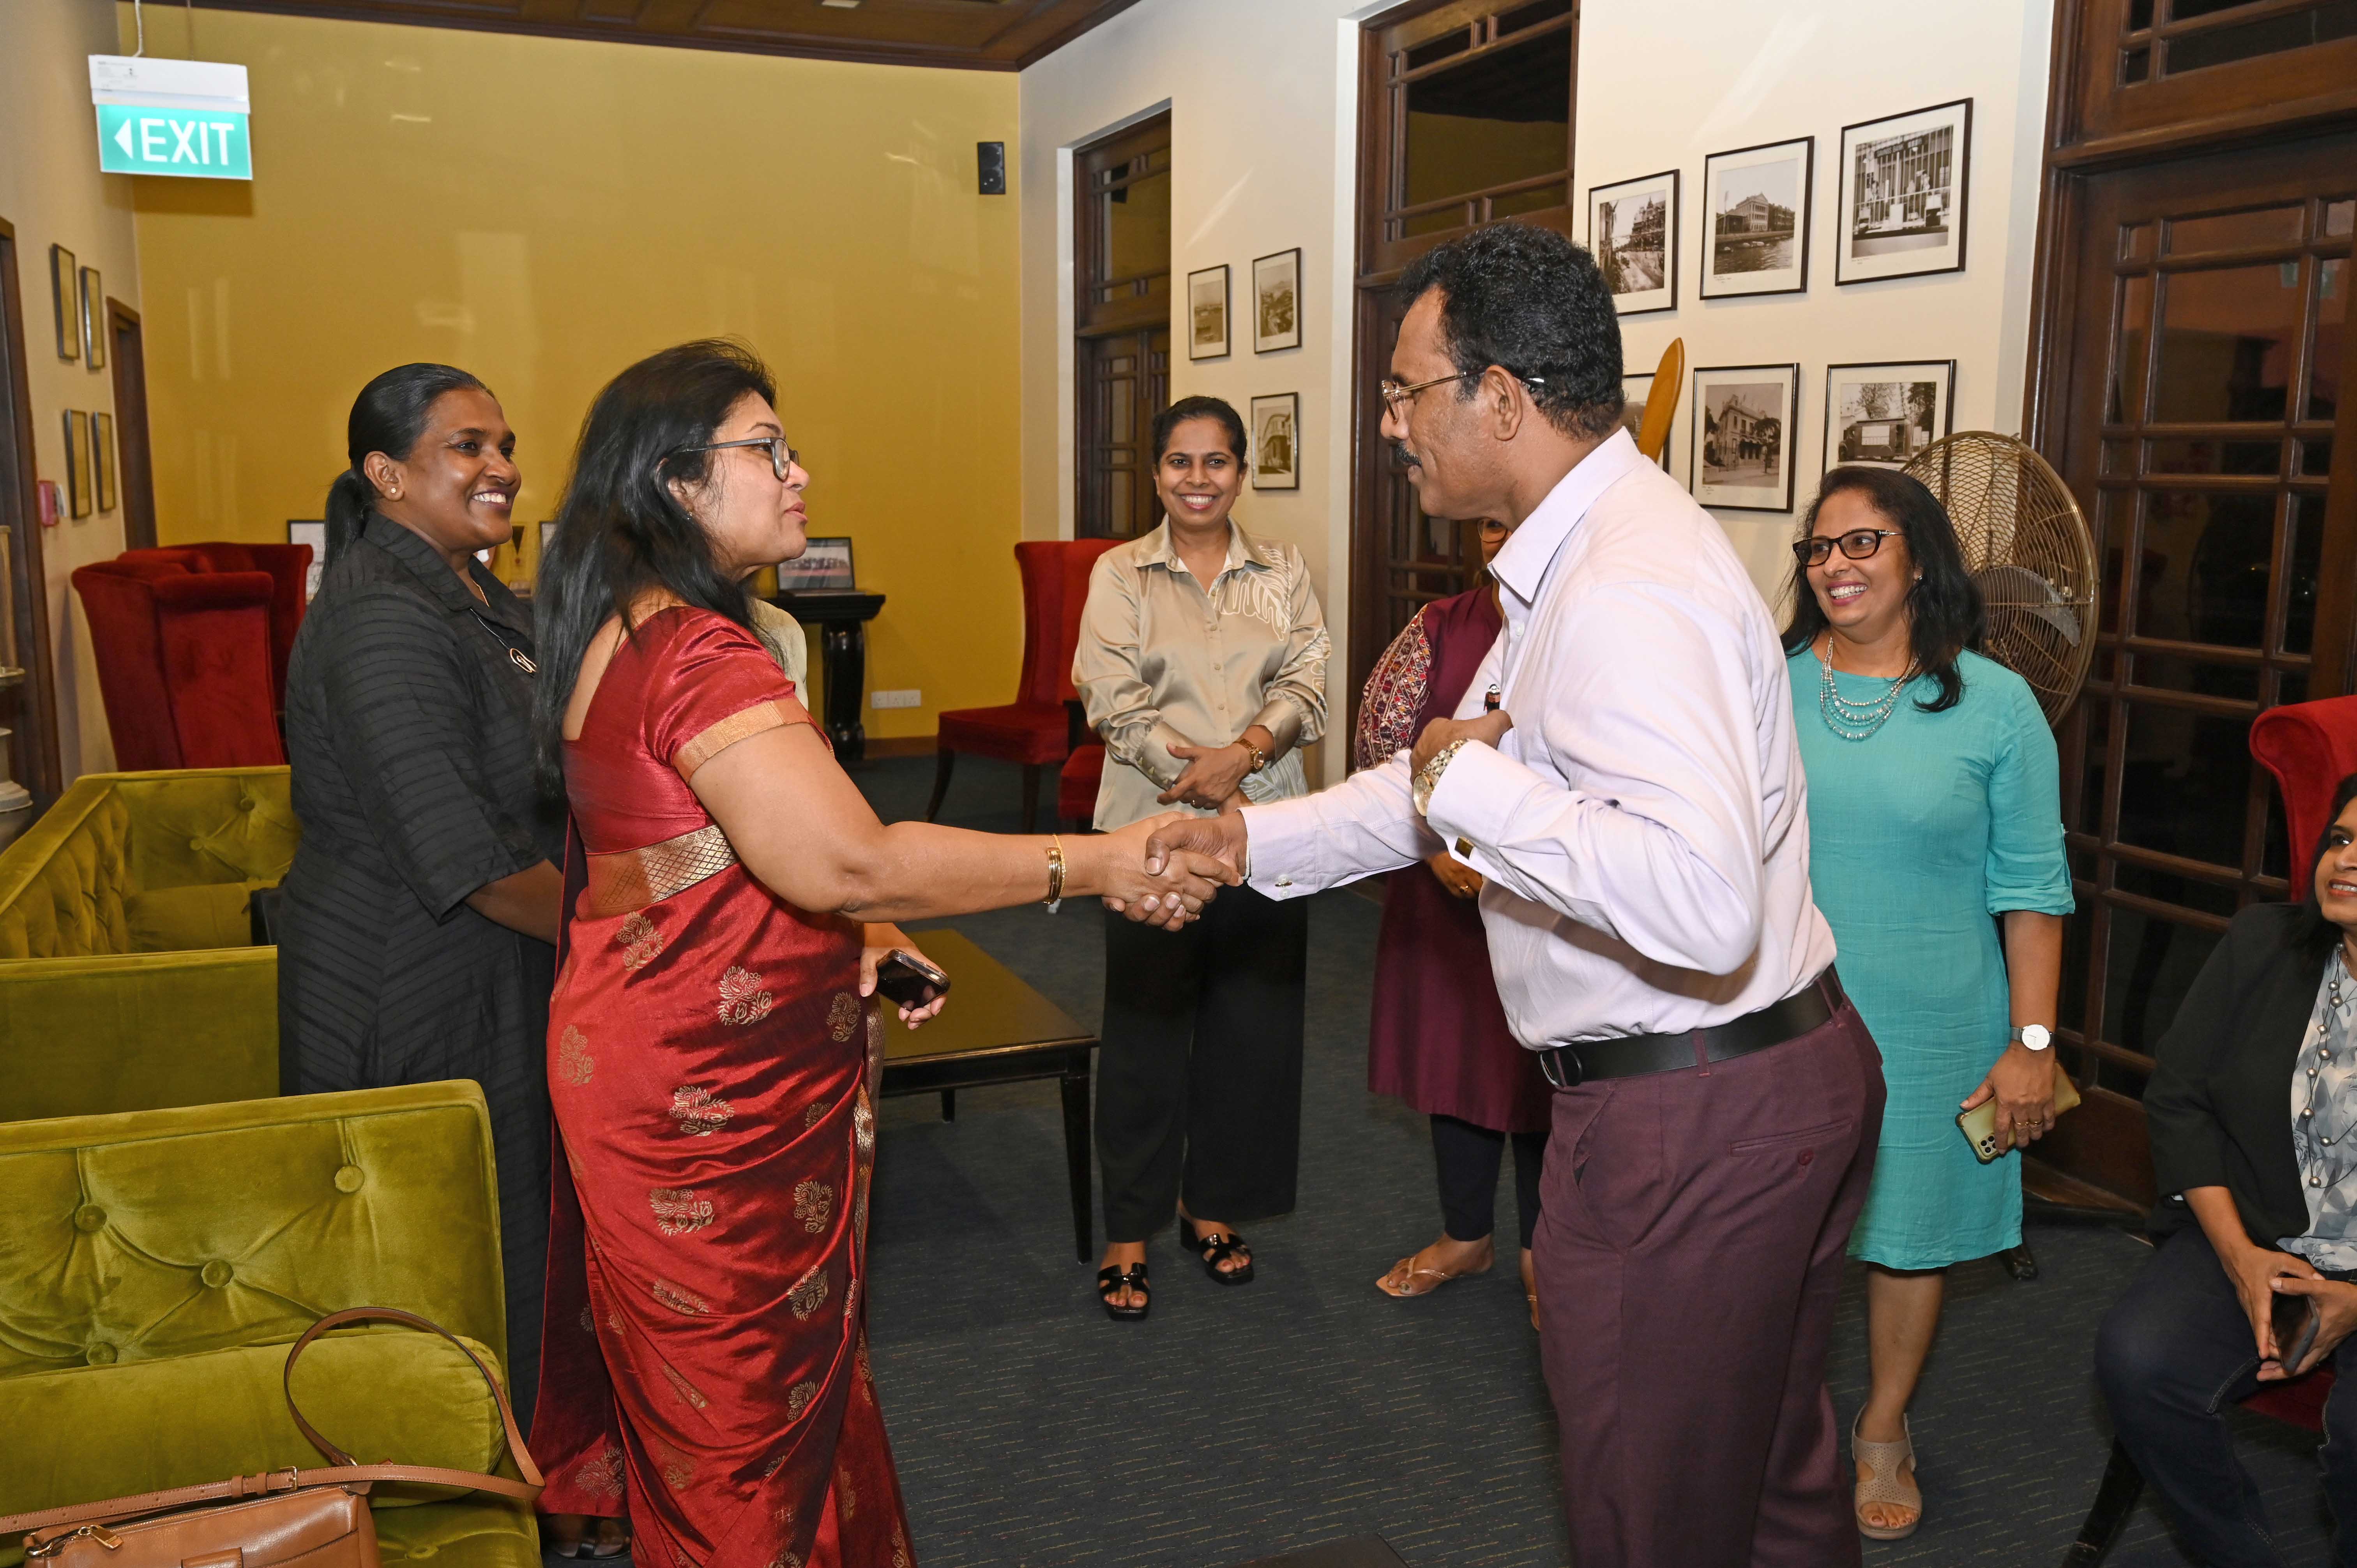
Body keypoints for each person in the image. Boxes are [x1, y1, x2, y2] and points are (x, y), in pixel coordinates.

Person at [1131, 222, 1886, 1568]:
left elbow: (1696, 898)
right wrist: (1241, 841)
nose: (1388, 424)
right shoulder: (1573, 556)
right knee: (1768, 1484)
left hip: (1690, 1120)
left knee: (1652, 1517)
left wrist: (1466, 781)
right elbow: (1430, 781)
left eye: (1404, 390)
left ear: (1499, 398)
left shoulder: (1624, 588)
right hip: (1750, 1084)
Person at [525, 340, 1231, 1568]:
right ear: (676, 481)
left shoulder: (627, 629)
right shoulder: (697, 654)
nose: (800, 471)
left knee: (730, 1414)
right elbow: (849, 860)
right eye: (767, 449)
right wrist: (1101, 862)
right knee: (740, 1450)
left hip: (657, 1060)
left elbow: (693, 859)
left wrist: (862, 937)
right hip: (705, 1103)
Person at [1781, 467, 2074, 1539]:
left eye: (1862, 542)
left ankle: (1882, 1428)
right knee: (1776, 1239)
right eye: (1819, 548)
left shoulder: (1996, 705)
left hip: (1938, 1019)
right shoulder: (1764, 687)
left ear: (1919, 559)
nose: (1836, 565)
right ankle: (1778, 1424)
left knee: (1911, 1235)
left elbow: (2033, 890)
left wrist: (2031, 1043)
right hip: (1786, 1017)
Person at [278, 363, 567, 1443]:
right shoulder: (379, 619)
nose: (502, 467)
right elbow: (470, 860)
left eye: (506, 445)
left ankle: (536, 1470)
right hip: (411, 984)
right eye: (468, 447)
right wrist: (638, 938)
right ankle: (468, 1480)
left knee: (518, 1235)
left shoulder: (473, 590)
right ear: (388, 473)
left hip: (489, 962)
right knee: (451, 1257)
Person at [1072, 394, 1330, 1321]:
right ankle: (1130, 1227)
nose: (1197, 478)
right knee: (1145, 1028)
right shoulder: (1120, 574)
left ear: (1241, 472)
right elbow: (1111, 696)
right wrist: (1204, 781)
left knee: (1250, 1028)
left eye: (1215, 461)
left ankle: (1210, 1203)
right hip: (1151, 835)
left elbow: (1308, 676)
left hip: (1268, 834)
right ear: (1156, 473)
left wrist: (1247, 753)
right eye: (1179, 461)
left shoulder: (1284, 571)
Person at [2097, 774, 2357, 1566]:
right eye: (2343, 839)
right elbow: (2179, 1098)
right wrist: (2240, 1256)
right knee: (2141, 1362)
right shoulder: (2263, 943)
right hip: (2257, 1227)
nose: (2347, 860)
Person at [1355, 519, 1549, 1319]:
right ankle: (1467, 1235)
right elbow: (1380, 749)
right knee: (1455, 1065)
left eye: (1523, 519)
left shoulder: (1590, 624)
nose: (1506, 537)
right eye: (1493, 524)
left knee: (1544, 1075)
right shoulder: (1437, 627)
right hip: (1444, 892)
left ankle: (1545, 1254)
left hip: (1548, 899)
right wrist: (1434, 848)